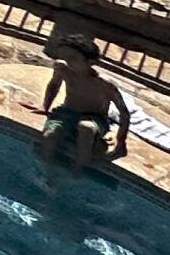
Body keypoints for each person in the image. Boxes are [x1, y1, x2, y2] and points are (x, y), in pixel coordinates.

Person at [38, 35, 131, 173]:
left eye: (73, 58)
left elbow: (124, 113)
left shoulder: (104, 84)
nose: (67, 61)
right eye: (65, 57)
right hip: (66, 112)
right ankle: (44, 170)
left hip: (94, 118)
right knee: (49, 136)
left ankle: (78, 169)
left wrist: (120, 141)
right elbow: (53, 85)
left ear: (90, 62)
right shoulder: (63, 69)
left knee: (86, 128)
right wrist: (45, 107)